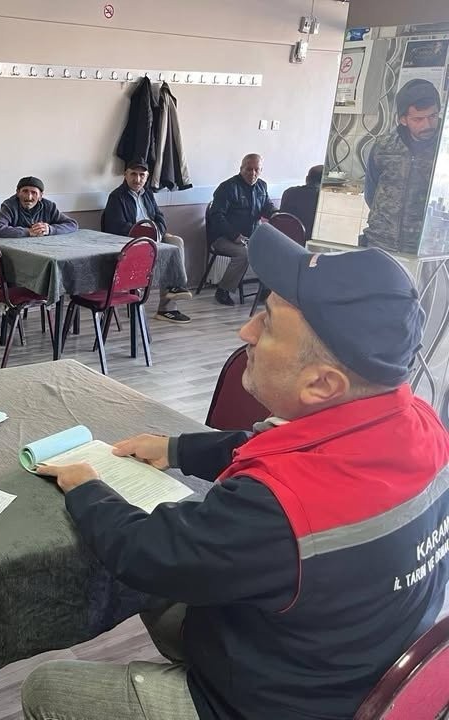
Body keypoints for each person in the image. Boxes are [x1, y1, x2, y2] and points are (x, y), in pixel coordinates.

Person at [25, 223, 449, 720]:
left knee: (46, 688)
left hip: (278, 703)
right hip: (343, 657)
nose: (245, 331)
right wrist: (176, 449)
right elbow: (282, 448)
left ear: (321, 384)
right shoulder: (419, 422)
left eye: (266, 324)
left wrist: (87, 488)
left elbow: (147, 552)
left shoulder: (276, 509)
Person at [101, 160, 193, 324]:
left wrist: (158, 232)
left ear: (147, 177)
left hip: (154, 237)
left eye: (141, 175)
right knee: (166, 254)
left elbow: (159, 217)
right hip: (131, 242)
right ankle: (172, 291)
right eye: (133, 174)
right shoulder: (116, 197)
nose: (137, 179)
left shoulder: (148, 194)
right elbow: (116, 227)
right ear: (125, 175)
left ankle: (171, 300)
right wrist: (146, 233)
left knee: (175, 241)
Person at [363, 79, 442, 254]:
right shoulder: (384, 147)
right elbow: (371, 194)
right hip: (380, 244)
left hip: (428, 248)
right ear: (403, 120)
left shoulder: (444, 148)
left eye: (433, 116)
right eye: (418, 119)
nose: (427, 125)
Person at [208, 154, 275, 305]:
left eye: (257, 170)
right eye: (249, 169)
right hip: (223, 237)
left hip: (252, 236)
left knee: (273, 250)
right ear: (241, 169)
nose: (253, 173)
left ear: (261, 170)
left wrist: (276, 214)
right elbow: (216, 216)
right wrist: (234, 235)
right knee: (243, 254)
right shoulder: (227, 187)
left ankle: (265, 290)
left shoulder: (262, 186)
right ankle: (223, 290)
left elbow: (267, 207)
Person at [0, 176, 78, 238]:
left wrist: (50, 229)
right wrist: (28, 232)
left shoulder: (49, 206)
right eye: (25, 191)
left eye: (34, 193)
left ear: (40, 196)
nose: (29, 197)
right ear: (18, 193)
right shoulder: (9, 205)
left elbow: (72, 224)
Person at [278, 164, 322, 242]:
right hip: (308, 245)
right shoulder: (323, 199)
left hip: (284, 241)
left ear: (307, 179)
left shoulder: (289, 192)